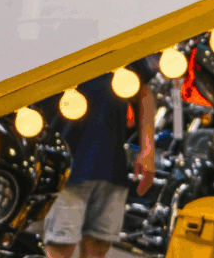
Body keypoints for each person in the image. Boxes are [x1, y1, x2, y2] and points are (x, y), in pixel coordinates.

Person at [43, 61, 156, 258]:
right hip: (68, 167)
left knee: (99, 245)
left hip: (112, 166)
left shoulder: (120, 41)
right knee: (61, 246)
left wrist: (148, 149)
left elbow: (142, 93)